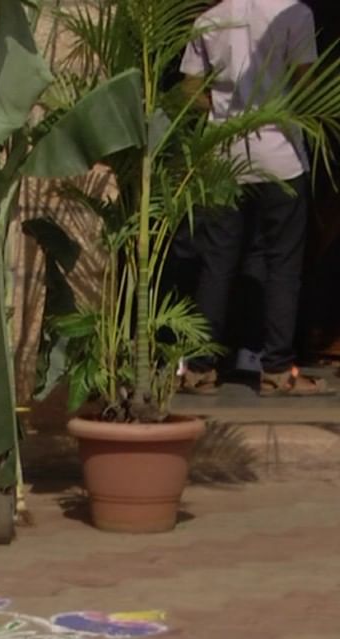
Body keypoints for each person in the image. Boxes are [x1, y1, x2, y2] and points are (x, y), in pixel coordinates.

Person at [179, 0, 332, 396]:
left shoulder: (208, 19)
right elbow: (305, 84)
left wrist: (222, 110)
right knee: (283, 264)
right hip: (280, 155)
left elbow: (190, 89)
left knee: (216, 262)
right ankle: (277, 370)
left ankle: (199, 368)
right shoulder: (295, 14)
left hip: (223, 155)